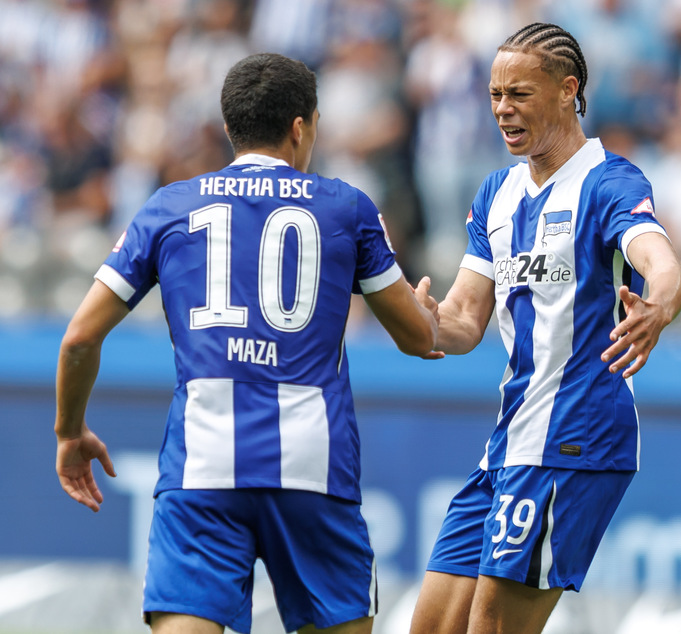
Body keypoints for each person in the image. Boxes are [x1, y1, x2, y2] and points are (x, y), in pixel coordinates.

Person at [54, 52, 439, 634]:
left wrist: (69, 431)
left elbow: (80, 337)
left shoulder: (169, 207)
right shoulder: (347, 207)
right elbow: (417, 339)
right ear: (301, 127)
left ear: (230, 128)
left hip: (203, 469)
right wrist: (426, 313)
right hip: (315, 470)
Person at [409, 23, 681, 634]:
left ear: (568, 91)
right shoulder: (497, 193)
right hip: (510, 442)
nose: (502, 110)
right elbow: (462, 321)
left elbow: (665, 268)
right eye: (494, 95)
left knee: (493, 625)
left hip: (576, 436)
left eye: (519, 94)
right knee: (431, 626)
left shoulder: (609, 182)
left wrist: (657, 306)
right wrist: (419, 318)